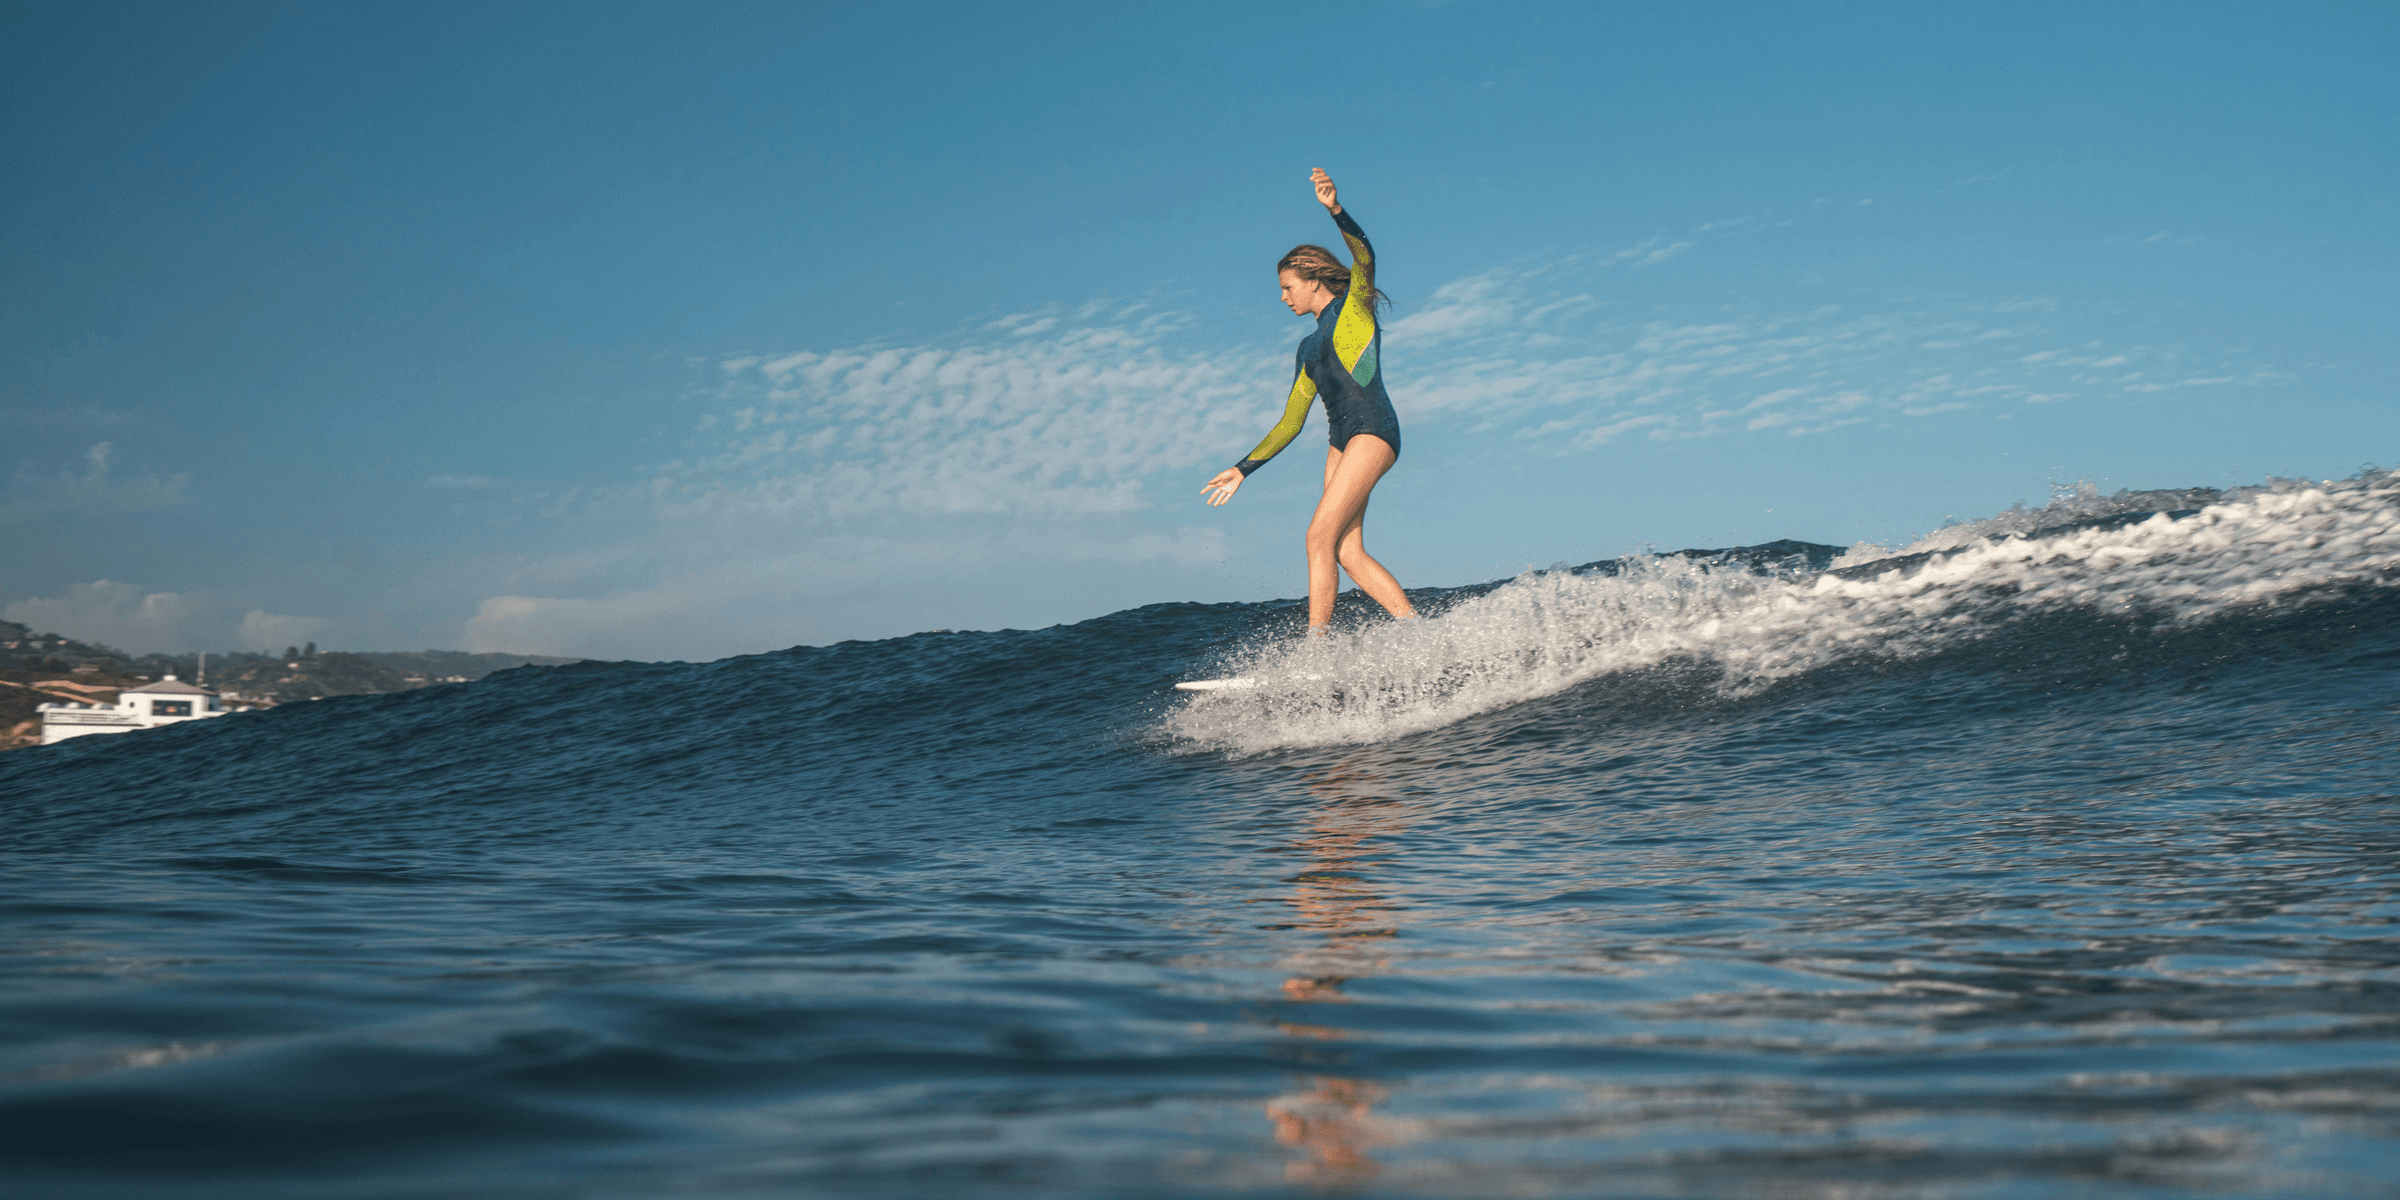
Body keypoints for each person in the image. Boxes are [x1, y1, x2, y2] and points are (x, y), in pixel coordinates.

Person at [1202, 168, 1415, 635]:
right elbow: (1289, 422)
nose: (1283, 298)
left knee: (1317, 536)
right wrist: (1242, 468)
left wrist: (1335, 210)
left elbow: (1365, 256)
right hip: (1340, 442)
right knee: (1345, 550)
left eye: (1287, 287)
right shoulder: (1305, 350)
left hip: (1373, 430)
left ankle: (1316, 652)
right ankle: (1417, 631)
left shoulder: (1354, 308)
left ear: (1314, 280)